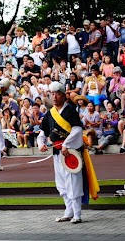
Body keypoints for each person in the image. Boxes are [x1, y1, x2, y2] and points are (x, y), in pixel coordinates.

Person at [37, 82, 99, 224]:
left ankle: (77, 213)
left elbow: (77, 130)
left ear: (63, 95)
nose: (54, 96)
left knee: (73, 181)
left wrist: (66, 144)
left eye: (57, 93)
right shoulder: (50, 114)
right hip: (57, 152)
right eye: (52, 94)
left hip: (71, 152)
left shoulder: (70, 110)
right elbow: (42, 132)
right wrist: (41, 143)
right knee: (61, 182)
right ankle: (68, 210)